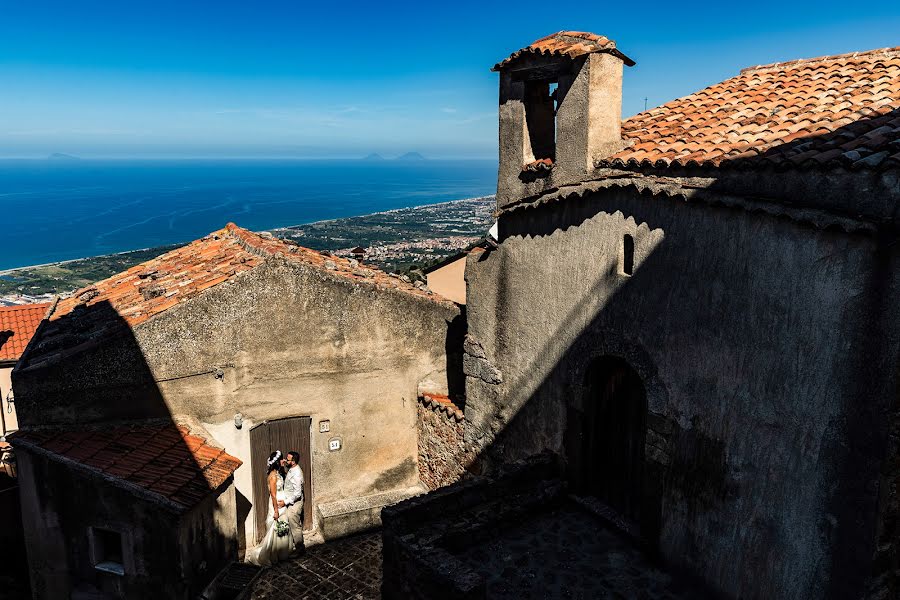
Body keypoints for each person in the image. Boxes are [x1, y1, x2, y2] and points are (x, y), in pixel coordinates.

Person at [247, 451, 293, 566]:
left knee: (284, 524)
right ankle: (271, 553)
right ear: (277, 462)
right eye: (281, 459)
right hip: (276, 504)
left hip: (282, 503)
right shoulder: (272, 476)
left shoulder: (278, 473)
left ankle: (282, 551)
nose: (283, 460)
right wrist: (276, 510)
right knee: (275, 526)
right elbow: (273, 494)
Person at [278, 450, 304, 554]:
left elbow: (297, 494)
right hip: (290, 502)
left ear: (293, 462)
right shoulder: (291, 468)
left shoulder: (297, 474)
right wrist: (283, 465)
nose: (285, 460)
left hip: (295, 504)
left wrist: (286, 502)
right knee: (292, 525)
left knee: (295, 526)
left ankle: (300, 549)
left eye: (287, 459)